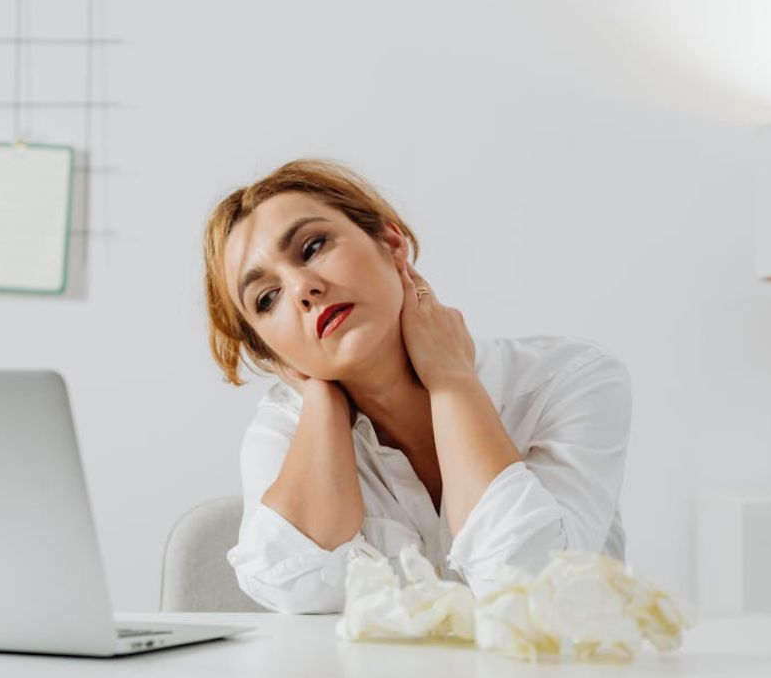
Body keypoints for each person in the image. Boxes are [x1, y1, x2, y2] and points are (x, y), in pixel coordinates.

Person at [202, 159, 631, 614]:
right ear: (273, 353)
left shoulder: (566, 379)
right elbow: (291, 586)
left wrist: (452, 381)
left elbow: (534, 589)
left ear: (391, 243)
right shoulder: (284, 430)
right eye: (267, 299)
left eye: (312, 247)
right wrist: (323, 401)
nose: (303, 287)